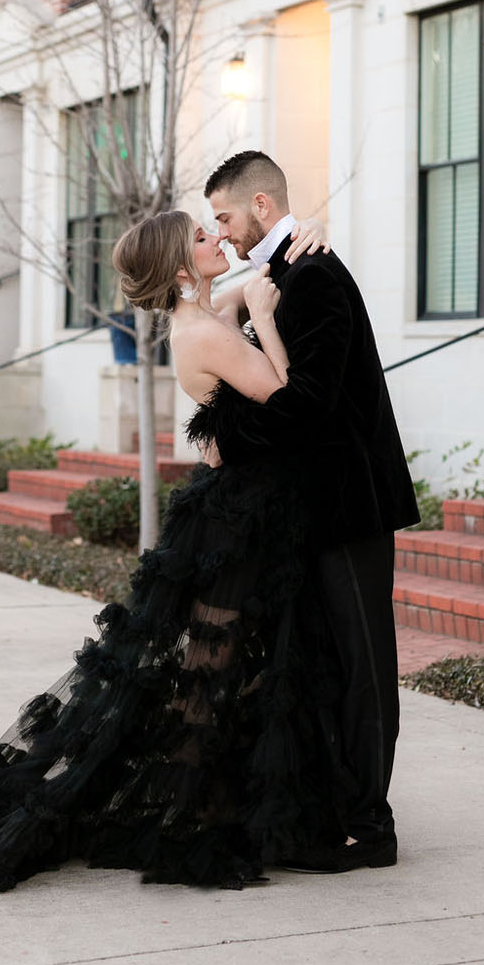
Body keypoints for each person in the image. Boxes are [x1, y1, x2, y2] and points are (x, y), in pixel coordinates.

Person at [0, 209, 352, 895]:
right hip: (235, 521)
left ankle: (212, 797)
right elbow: (288, 398)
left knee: (226, 663)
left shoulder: (203, 308)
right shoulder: (206, 329)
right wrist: (265, 319)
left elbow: (257, 274)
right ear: (179, 269)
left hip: (236, 510)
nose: (218, 241)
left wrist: (302, 235)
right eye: (204, 239)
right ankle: (192, 811)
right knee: (213, 665)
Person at [205, 150, 420, 872]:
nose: (223, 233)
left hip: (349, 506)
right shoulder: (281, 271)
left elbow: (309, 407)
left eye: (226, 218)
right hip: (313, 511)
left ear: (262, 207)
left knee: (363, 664)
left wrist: (223, 438)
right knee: (326, 661)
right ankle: (338, 805)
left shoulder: (316, 274)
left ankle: (371, 825)